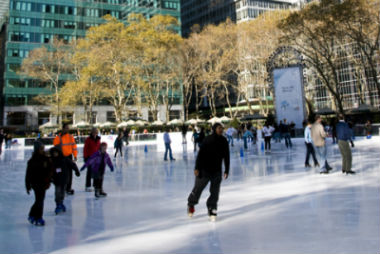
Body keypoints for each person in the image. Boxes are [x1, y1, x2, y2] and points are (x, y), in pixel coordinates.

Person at [187, 123, 229, 221]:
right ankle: (191, 204)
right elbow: (200, 155)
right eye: (219, 128)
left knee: (215, 192)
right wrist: (197, 168)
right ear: (214, 129)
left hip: (217, 171)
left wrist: (227, 169)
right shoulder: (207, 139)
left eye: (222, 128)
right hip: (204, 170)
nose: (221, 130)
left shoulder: (224, 141)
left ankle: (212, 208)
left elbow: (226, 156)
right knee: (198, 189)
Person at [25, 141, 52, 226]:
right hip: (35, 183)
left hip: (44, 182)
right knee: (40, 200)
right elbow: (28, 174)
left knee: (39, 200)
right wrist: (28, 185)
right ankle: (38, 217)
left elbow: (50, 169)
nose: (42, 150)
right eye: (41, 148)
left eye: (43, 148)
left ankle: (32, 215)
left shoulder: (46, 158)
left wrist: (50, 179)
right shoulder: (32, 161)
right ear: (37, 149)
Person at [50, 147, 80, 214]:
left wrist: (76, 171)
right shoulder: (51, 160)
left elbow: (72, 164)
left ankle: (61, 203)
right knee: (57, 192)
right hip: (56, 180)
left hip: (64, 179)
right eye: (53, 153)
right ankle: (58, 204)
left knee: (62, 192)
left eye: (56, 153)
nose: (55, 154)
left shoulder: (64, 159)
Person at [53, 123, 78, 195]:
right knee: (61, 173)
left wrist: (75, 155)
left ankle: (68, 188)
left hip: (69, 157)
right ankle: (62, 187)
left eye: (68, 128)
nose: (68, 129)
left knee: (69, 173)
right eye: (66, 128)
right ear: (63, 128)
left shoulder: (70, 137)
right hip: (61, 158)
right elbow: (55, 148)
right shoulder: (58, 138)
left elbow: (74, 146)